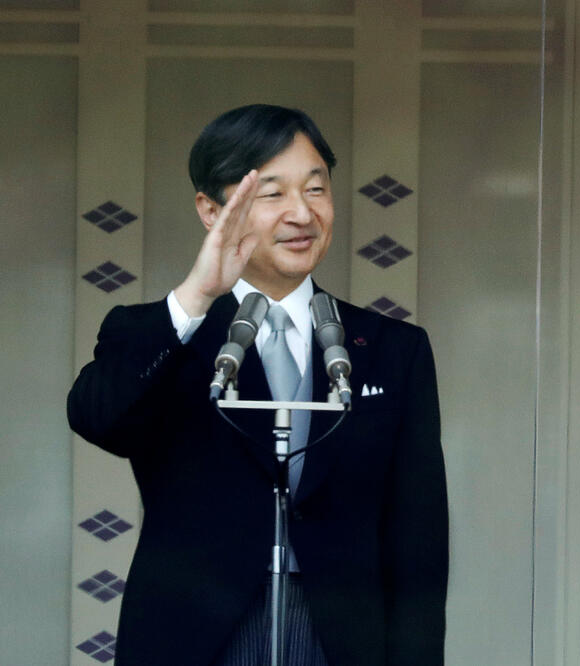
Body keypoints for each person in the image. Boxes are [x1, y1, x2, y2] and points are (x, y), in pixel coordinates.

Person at [68, 104, 448, 665]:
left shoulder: (393, 349)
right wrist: (196, 297)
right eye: (272, 194)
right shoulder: (161, 332)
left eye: (316, 190)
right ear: (210, 209)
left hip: (343, 636)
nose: (302, 213)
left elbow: (417, 541)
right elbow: (98, 416)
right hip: (197, 635)